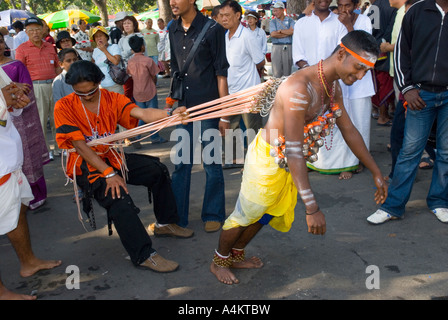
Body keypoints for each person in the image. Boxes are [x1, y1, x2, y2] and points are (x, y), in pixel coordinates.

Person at [210, 30, 388, 285]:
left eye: (366, 71)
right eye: (359, 68)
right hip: (269, 159)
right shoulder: (298, 88)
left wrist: (375, 171)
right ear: (341, 54)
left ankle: (235, 255)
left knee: (266, 213)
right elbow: (293, 148)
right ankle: (218, 261)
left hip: (289, 162)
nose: (361, 76)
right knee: (245, 214)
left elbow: (348, 130)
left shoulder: (332, 85)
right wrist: (312, 207)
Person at [54, 60, 193, 272]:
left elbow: (142, 113)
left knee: (156, 170)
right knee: (119, 198)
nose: (88, 96)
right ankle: (144, 255)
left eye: (91, 90)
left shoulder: (112, 98)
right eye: (80, 93)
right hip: (86, 165)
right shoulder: (63, 106)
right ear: (72, 88)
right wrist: (109, 174)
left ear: (99, 82)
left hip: (112, 156)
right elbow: (80, 147)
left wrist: (170, 115)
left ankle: (166, 223)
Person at [367, 0, 448, 225]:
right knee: (409, 152)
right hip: (420, 95)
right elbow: (401, 50)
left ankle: (440, 201)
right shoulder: (418, 11)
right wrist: (407, 88)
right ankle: (392, 206)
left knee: (446, 153)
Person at [169, 0, 230, 232]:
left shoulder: (213, 29)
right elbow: (175, 68)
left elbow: (221, 72)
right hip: (183, 109)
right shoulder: (171, 30)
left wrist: (223, 114)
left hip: (209, 108)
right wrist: (173, 104)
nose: (172, 2)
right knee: (181, 164)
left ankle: (213, 213)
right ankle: (177, 217)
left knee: (211, 163)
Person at [0, 82, 61, 300]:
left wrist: (16, 99)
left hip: (8, 163)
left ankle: (28, 261)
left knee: (18, 211)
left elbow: (8, 98)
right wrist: (3, 101)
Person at [305, 0, 375, 180]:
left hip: (361, 80)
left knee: (359, 122)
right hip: (343, 80)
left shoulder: (364, 21)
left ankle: (359, 160)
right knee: (341, 123)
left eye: (348, 6)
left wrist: (349, 25)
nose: (344, 9)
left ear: (356, 4)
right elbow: (337, 52)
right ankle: (342, 161)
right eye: (341, 5)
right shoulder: (335, 20)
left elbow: (363, 51)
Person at [0, 33, 49, 210]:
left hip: (21, 118)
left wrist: (14, 93)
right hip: (2, 122)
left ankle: (36, 195)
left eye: (0, 41)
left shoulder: (16, 65)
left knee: (28, 154)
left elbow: (26, 89)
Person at [219, 1, 265, 168]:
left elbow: (259, 61)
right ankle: (235, 159)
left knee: (253, 128)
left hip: (249, 91)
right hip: (230, 91)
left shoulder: (247, 36)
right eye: (221, 16)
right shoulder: (225, 36)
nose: (223, 19)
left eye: (227, 15)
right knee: (231, 126)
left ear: (238, 16)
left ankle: (258, 161)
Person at [15, 17, 61, 160]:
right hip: (36, 87)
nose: (35, 32)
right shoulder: (22, 49)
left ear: (43, 30)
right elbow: (19, 72)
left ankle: (61, 148)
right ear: (27, 32)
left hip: (53, 85)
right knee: (40, 120)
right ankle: (46, 151)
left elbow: (57, 67)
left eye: (38, 29)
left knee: (57, 118)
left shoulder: (49, 46)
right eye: (31, 30)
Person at [127, 35, 166, 145]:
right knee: (153, 115)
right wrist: (153, 84)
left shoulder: (130, 61)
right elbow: (154, 75)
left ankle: (137, 135)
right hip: (149, 90)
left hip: (137, 91)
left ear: (132, 49)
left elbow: (129, 74)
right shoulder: (148, 60)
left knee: (140, 115)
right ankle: (155, 137)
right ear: (143, 47)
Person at [366, 0, 396, 126]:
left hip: (375, 48)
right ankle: (383, 115)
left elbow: (371, 30)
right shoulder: (393, 5)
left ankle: (382, 112)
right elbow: (391, 30)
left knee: (379, 83)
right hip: (387, 49)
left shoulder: (375, 6)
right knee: (385, 83)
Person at [293, 0, 347, 70]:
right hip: (307, 76)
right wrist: (310, 71)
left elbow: (341, 52)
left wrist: (326, 74)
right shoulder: (300, 24)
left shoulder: (340, 23)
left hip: (332, 76)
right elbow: (298, 55)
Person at [91, 26, 124, 95]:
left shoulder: (114, 47)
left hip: (115, 85)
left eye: (101, 35)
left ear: (106, 37)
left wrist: (104, 50)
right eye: (96, 37)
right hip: (102, 86)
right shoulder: (95, 51)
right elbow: (93, 67)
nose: (99, 38)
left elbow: (116, 61)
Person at [269, 1, 294, 78]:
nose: (275, 13)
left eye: (276, 10)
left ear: (282, 10)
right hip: (276, 47)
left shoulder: (290, 20)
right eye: (274, 11)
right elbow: (273, 34)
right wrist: (287, 33)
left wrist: (280, 31)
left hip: (288, 46)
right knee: (276, 73)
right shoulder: (272, 22)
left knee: (287, 72)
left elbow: (292, 31)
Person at [118, 15, 140, 99]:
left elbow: (144, 54)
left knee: (140, 94)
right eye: (124, 23)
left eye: (129, 23)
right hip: (127, 72)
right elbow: (120, 55)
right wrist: (131, 51)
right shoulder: (122, 40)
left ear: (134, 25)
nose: (126, 25)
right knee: (128, 95)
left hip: (139, 70)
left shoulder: (140, 37)